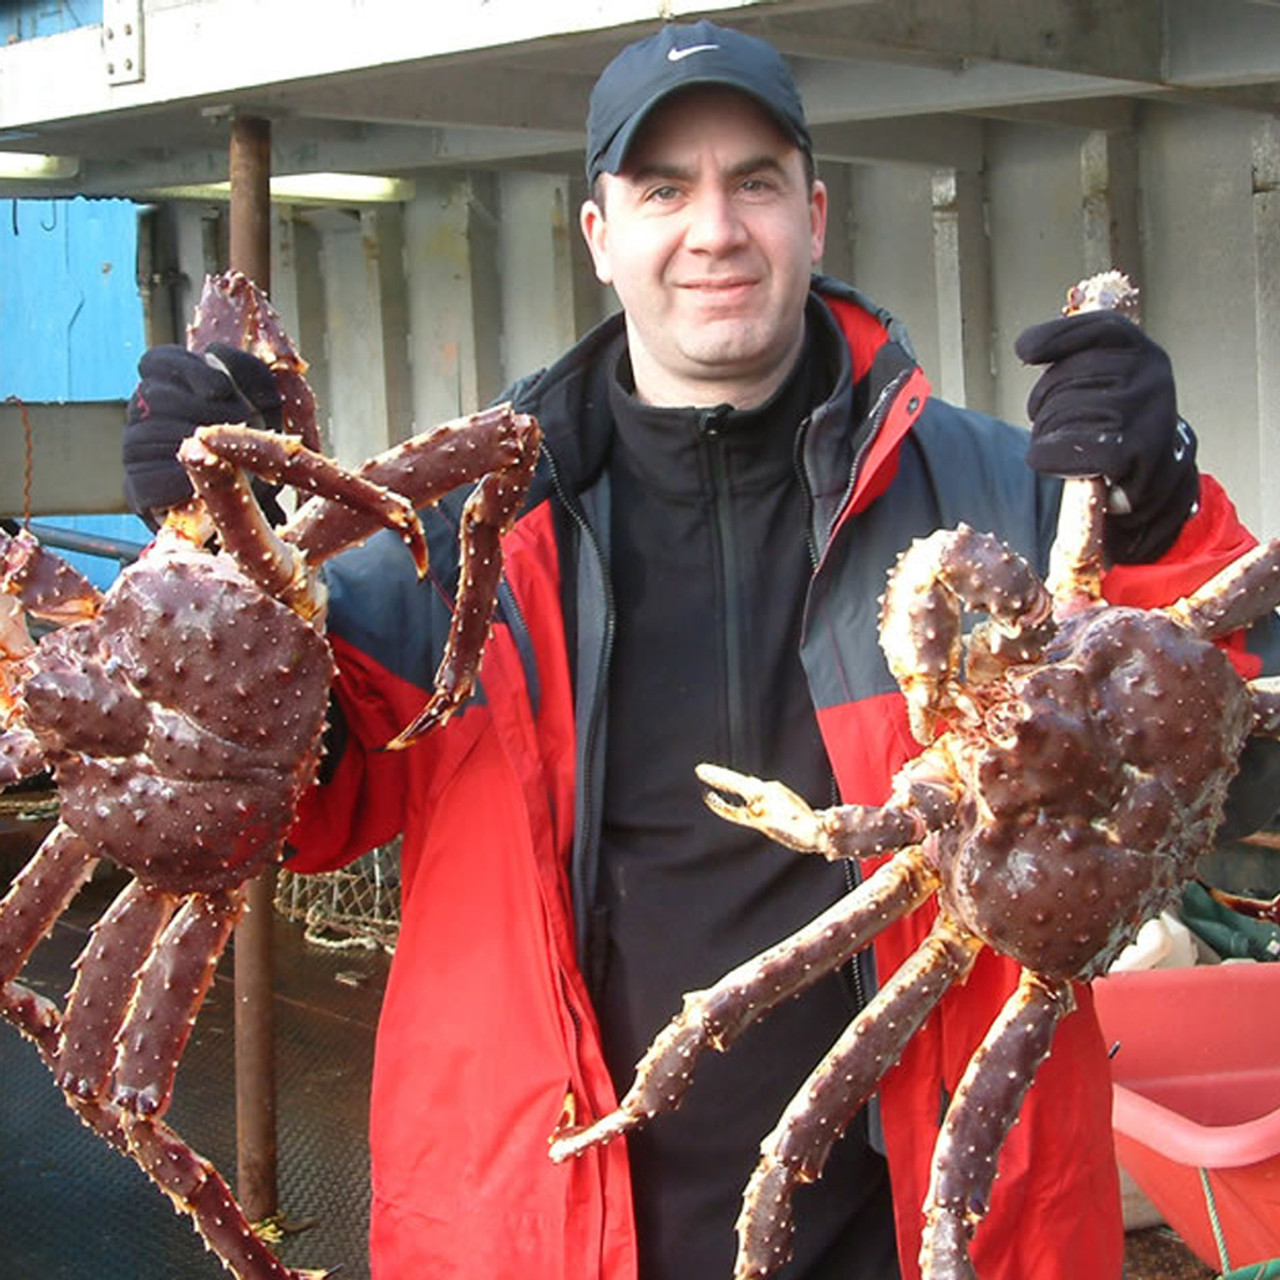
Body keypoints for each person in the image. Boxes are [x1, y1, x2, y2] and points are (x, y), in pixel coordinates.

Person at [122, 21, 1280, 1280]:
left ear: (815, 215)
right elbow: (291, 801)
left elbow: (1230, 748)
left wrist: (1163, 515)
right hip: (536, 1225)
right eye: (663, 189)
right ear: (598, 236)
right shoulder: (454, 531)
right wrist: (212, 583)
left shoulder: (1007, 488)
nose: (713, 228)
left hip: (941, 1233)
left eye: (754, 183)